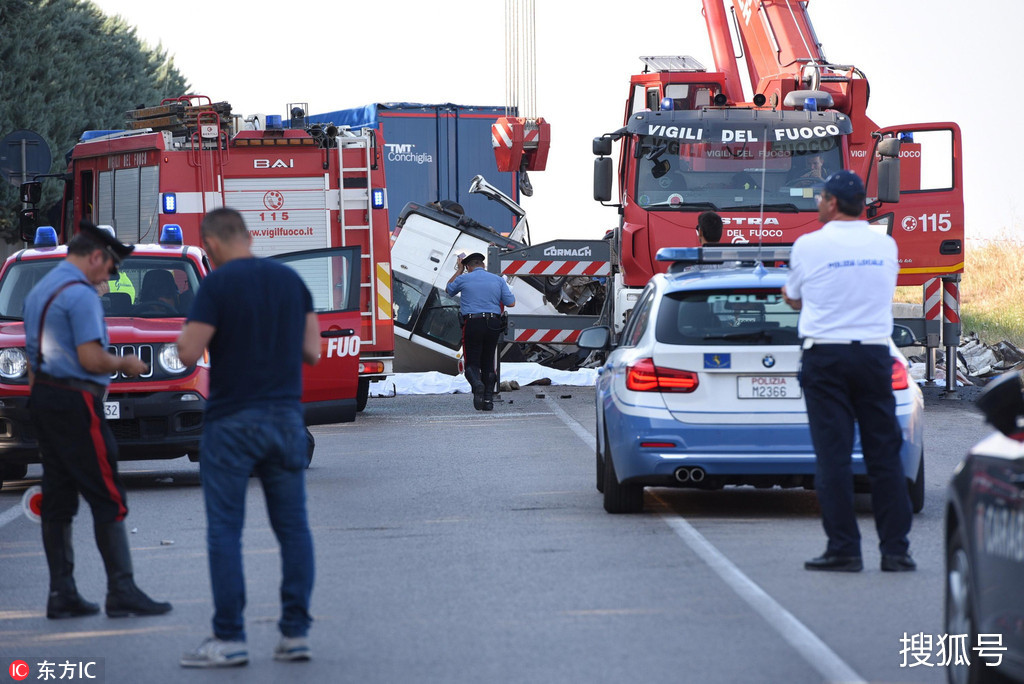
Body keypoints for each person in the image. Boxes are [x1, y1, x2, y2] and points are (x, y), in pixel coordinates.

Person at [176, 207, 319, 667]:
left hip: (232, 422)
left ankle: (230, 638)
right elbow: (313, 351)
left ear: (212, 244)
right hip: (284, 419)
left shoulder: (216, 284)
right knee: (293, 529)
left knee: (225, 531)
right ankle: (295, 634)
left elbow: (188, 354)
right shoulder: (290, 282)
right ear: (247, 235)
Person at [23, 221, 172, 619]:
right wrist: (127, 363)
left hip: (44, 398)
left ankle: (62, 593)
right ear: (95, 257)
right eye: (109, 270)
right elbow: (91, 358)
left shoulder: (39, 291)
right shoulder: (81, 295)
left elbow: (33, 361)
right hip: (76, 401)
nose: (109, 278)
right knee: (108, 493)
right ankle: (121, 590)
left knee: (57, 495)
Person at [781, 170, 914, 573]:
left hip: (826, 359)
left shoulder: (808, 245)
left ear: (833, 203)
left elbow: (792, 297)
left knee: (833, 457)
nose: (818, 203)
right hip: (875, 357)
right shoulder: (885, 246)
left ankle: (844, 549)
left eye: (821, 197)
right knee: (884, 455)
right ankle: (896, 551)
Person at [445, 252, 515, 411]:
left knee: (472, 361)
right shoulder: (498, 280)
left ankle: (477, 385)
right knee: (489, 361)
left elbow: (448, 290)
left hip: (473, 323)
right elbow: (511, 303)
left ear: (468, 267)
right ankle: (488, 400)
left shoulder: (463, 278)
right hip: (493, 324)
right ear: (483, 265)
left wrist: (458, 270)